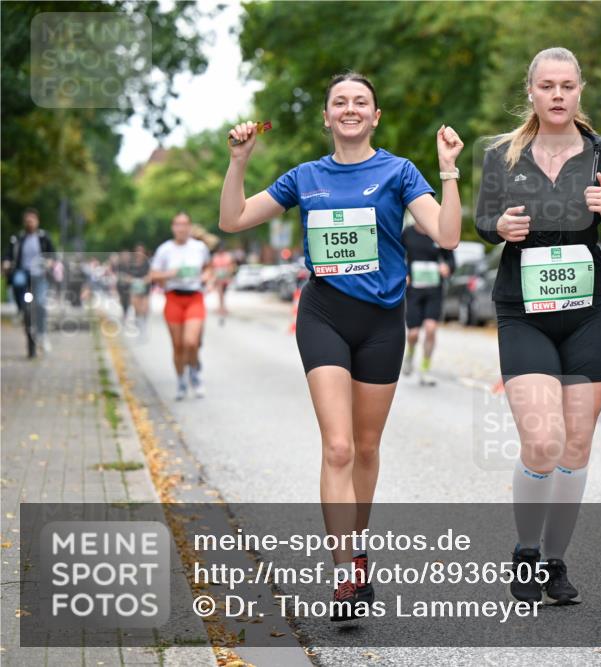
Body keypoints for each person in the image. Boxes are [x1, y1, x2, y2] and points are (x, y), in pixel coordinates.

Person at [219, 72, 463, 620]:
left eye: (361, 102)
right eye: (339, 102)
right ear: (327, 117)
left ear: (375, 116)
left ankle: (357, 545)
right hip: (324, 314)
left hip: (382, 321)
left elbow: (447, 236)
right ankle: (346, 573)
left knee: (368, 448)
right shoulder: (305, 177)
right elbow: (231, 220)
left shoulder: (399, 171)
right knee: (338, 447)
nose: (350, 109)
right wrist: (239, 161)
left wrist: (448, 169)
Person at [475, 47, 601, 605]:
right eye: (547, 86)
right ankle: (525, 549)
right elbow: (482, 223)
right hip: (524, 311)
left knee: (576, 445)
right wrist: (500, 227)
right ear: (531, 92)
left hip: (587, 311)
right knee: (542, 441)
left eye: (567, 85)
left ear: (580, 90)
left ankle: (555, 562)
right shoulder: (504, 154)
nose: (558, 95)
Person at [149, 212, 211, 400]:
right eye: (177, 224)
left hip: (194, 297)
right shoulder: (165, 250)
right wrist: (169, 274)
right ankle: (181, 381)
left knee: (191, 342)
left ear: (190, 227)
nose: (181, 228)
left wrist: (207, 276)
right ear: (173, 227)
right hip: (173, 298)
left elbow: (208, 267)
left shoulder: (199, 248)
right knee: (177, 346)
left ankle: (194, 373)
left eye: (185, 224)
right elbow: (153, 275)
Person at [401, 216, 455, 385]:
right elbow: (396, 255)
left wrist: (447, 268)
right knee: (413, 333)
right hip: (414, 290)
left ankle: (425, 370)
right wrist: (404, 274)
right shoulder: (407, 233)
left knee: (431, 329)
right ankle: (409, 355)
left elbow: (451, 260)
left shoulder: (437, 233)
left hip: (434, 289)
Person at [3, 208, 56, 357]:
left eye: (32, 220)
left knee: (40, 302)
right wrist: (6, 263)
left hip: (39, 274)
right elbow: (8, 254)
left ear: (37, 221)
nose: (29, 223)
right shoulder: (18, 238)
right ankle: (21, 309)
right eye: (27, 221)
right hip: (23, 272)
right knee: (17, 281)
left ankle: (42, 334)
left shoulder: (44, 237)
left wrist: (50, 262)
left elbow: (52, 254)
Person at [210, 245, 236, 324]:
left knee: (223, 293)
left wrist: (229, 274)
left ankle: (223, 307)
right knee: (220, 293)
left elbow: (232, 266)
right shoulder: (215, 256)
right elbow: (212, 267)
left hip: (226, 278)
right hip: (218, 278)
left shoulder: (228, 256)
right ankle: (221, 307)